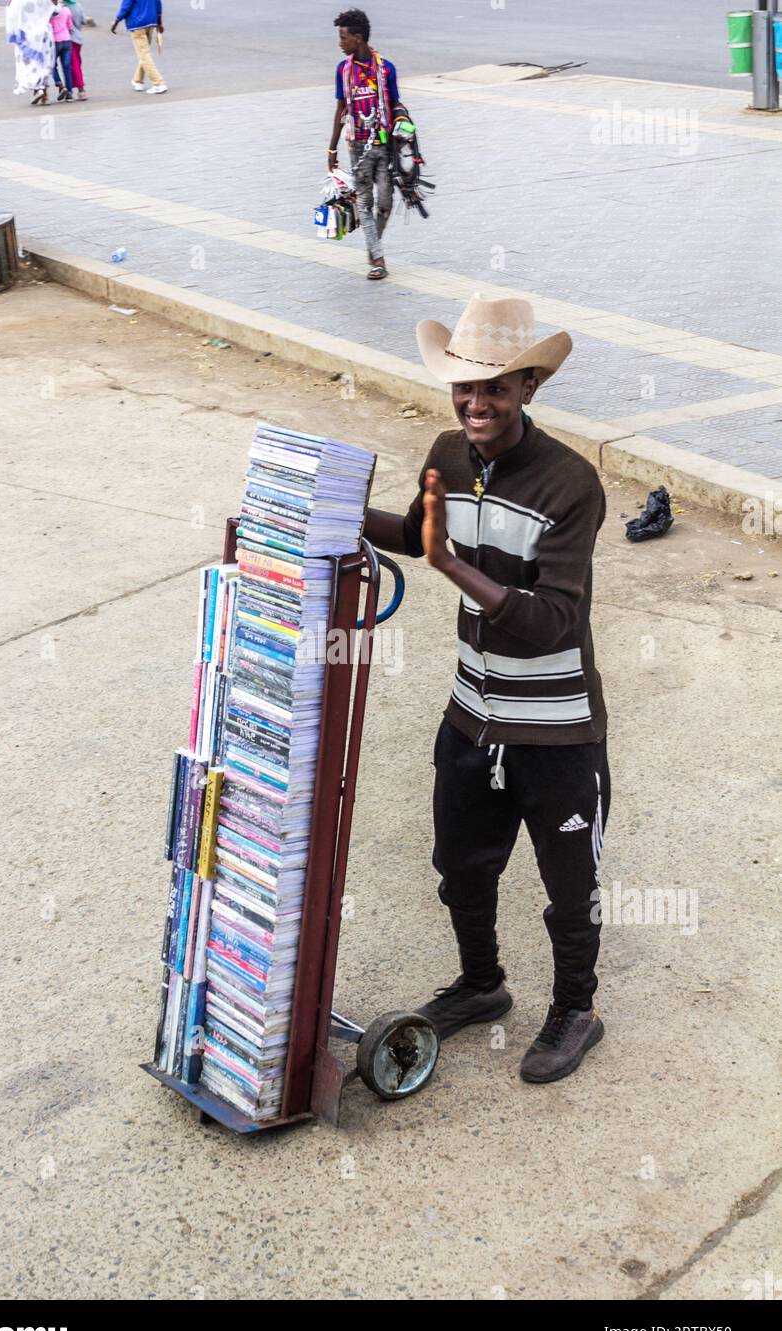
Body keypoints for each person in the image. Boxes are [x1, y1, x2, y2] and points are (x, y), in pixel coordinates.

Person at [363, 294, 610, 1084]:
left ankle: (577, 1008)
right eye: (465, 387)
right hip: (472, 712)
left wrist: (453, 568)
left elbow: (552, 620)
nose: (477, 402)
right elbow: (418, 535)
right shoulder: (445, 449)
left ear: (530, 388)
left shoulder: (572, 484)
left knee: (570, 887)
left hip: (558, 727)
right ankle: (482, 985)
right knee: (460, 866)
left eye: (496, 387)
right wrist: (325, 511)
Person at [328, 8, 399, 281]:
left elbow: (395, 104)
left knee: (386, 202)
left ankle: (373, 242)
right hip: (357, 147)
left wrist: (404, 126)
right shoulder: (343, 71)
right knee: (366, 202)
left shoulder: (385, 68)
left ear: (358, 38)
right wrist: (332, 149)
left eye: (343, 37)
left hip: (383, 145)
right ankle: (377, 258)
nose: (340, 42)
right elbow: (340, 109)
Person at [111, 0, 167, 95]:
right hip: (150, 22)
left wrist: (116, 22)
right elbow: (158, 4)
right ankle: (138, 81)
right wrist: (159, 22)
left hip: (137, 24)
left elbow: (126, 7)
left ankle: (159, 83)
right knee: (144, 54)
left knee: (144, 55)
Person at [5, 0, 55, 104]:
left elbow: (11, 15)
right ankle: (43, 93)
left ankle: (38, 89)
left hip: (27, 35)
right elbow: (55, 9)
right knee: (44, 63)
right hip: (44, 32)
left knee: (31, 65)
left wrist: (13, 33)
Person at [50, 0, 76, 101]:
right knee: (67, 68)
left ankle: (60, 84)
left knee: (51, 65)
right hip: (66, 40)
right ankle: (69, 93)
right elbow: (70, 26)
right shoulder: (66, 10)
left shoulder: (49, 12)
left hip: (55, 41)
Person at [63, 0, 87, 100]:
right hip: (78, 38)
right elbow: (84, 20)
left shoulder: (63, 7)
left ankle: (81, 90)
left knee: (74, 65)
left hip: (68, 38)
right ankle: (73, 88)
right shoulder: (78, 5)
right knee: (77, 63)